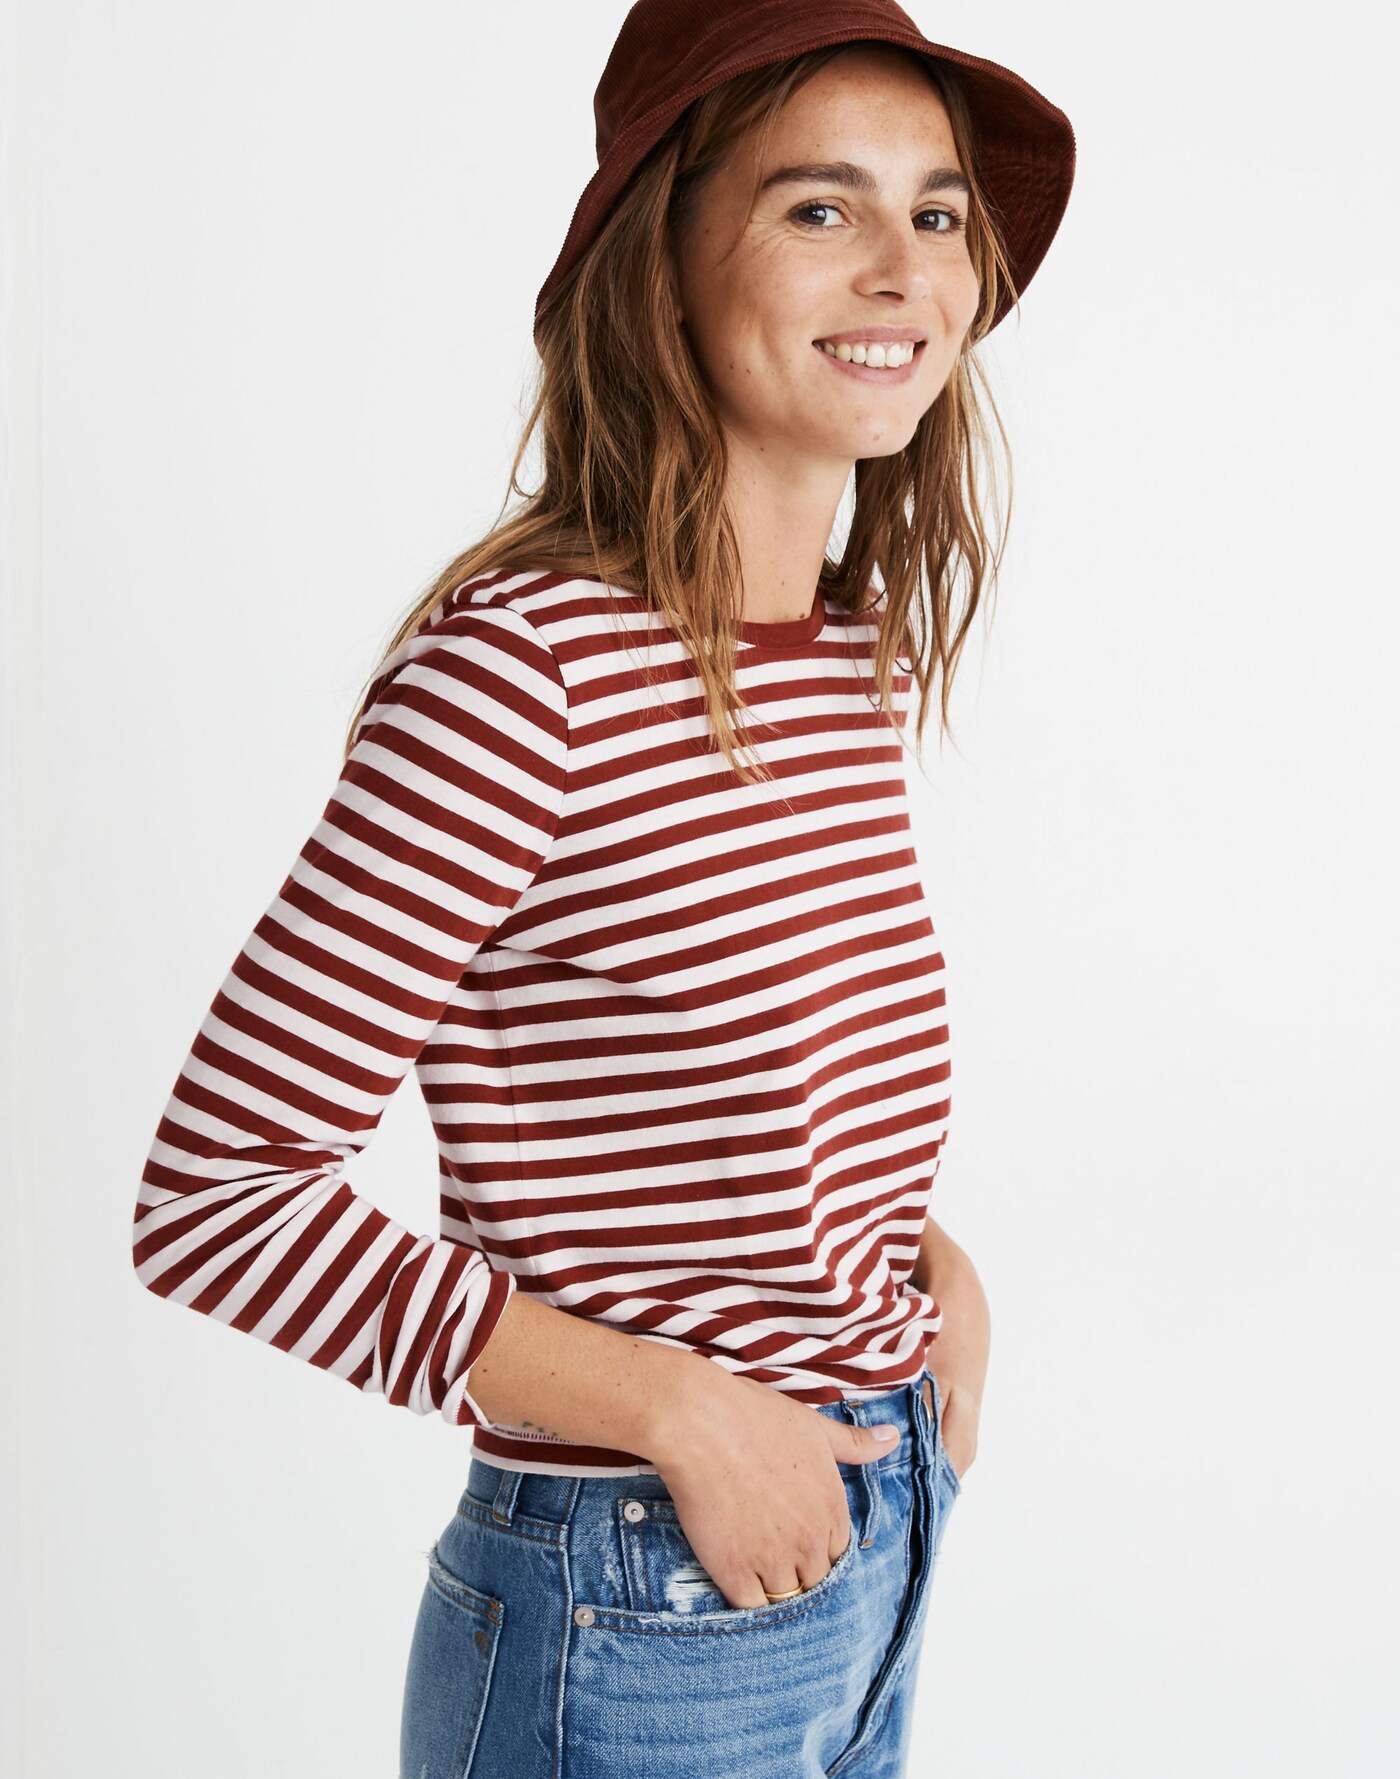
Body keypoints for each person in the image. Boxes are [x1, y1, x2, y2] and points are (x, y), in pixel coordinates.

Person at [131, 2, 1074, 1773]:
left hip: (865, 1542)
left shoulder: (840, 653)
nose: (904, 270)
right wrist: (683, 1414)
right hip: (637, 1599)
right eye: (820, 207)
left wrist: (919, 1271)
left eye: (938, 213)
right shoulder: (526, 676)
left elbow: (709, 1106)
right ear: (663, 256)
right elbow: (219, 1200)